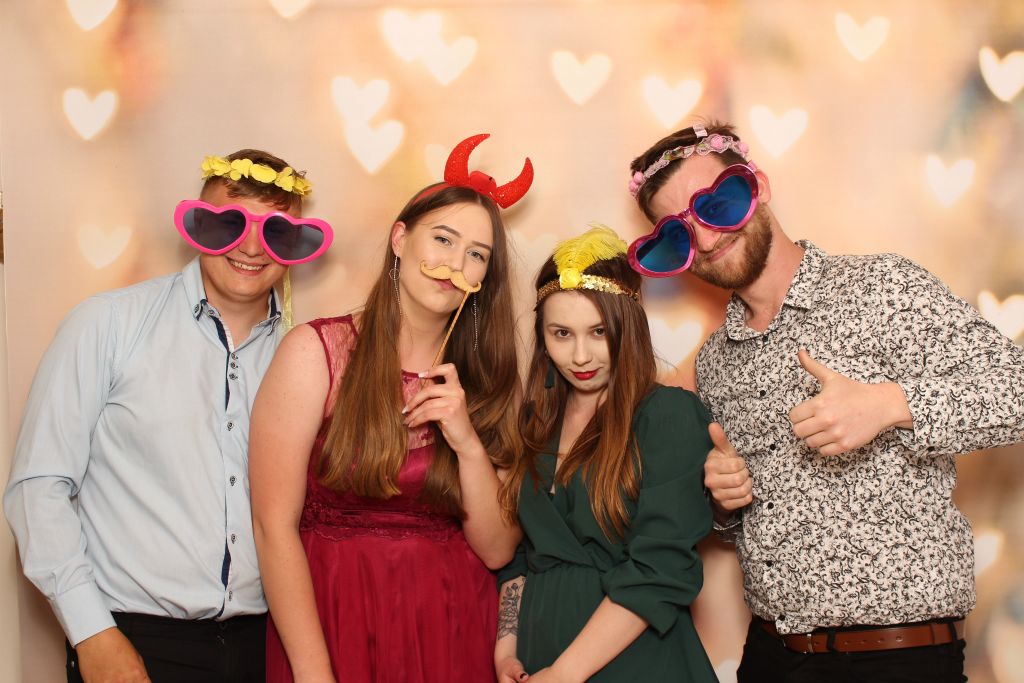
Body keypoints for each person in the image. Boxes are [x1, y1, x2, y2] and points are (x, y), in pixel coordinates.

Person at [627, 121, 1024, 682]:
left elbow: (1015, 388)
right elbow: (749, 525)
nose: (708, 240)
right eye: (680, 234)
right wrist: (725, 503)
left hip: (898, 658)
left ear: (758, 185)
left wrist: (890, 405)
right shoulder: (716, 361)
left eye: (716, 205)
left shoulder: (881, 288)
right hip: (772, 658)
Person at [5, 149, 332, 682]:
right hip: (134, 639)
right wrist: (92, 632)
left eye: (275, 232)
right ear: (198, 226)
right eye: (228, 224)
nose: (251, 247)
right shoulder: (107, 324)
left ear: (295, 244)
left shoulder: (307, 358)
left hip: (267, 646)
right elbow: (38, 486)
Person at [250, 133, 532, 683]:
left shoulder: (492, 380)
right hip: (334, 622)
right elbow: (271, 526)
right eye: (443, 239)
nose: (455, 263)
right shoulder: (316, 353)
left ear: (484, 277)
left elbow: (499, 551)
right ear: (400, 239)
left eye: (477, 255)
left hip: (451, 630)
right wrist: (313, 673)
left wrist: (466, 441)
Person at [494, 226, 718, 683]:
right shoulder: (533, 423)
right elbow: (520, 555)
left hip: (638, 661)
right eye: (561, 333)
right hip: (539, 660)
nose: (580, 356)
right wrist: (505, 650)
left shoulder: (667, 415)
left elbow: (661, 567)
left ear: (628, 328)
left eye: (599, 332)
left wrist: (566, 673)